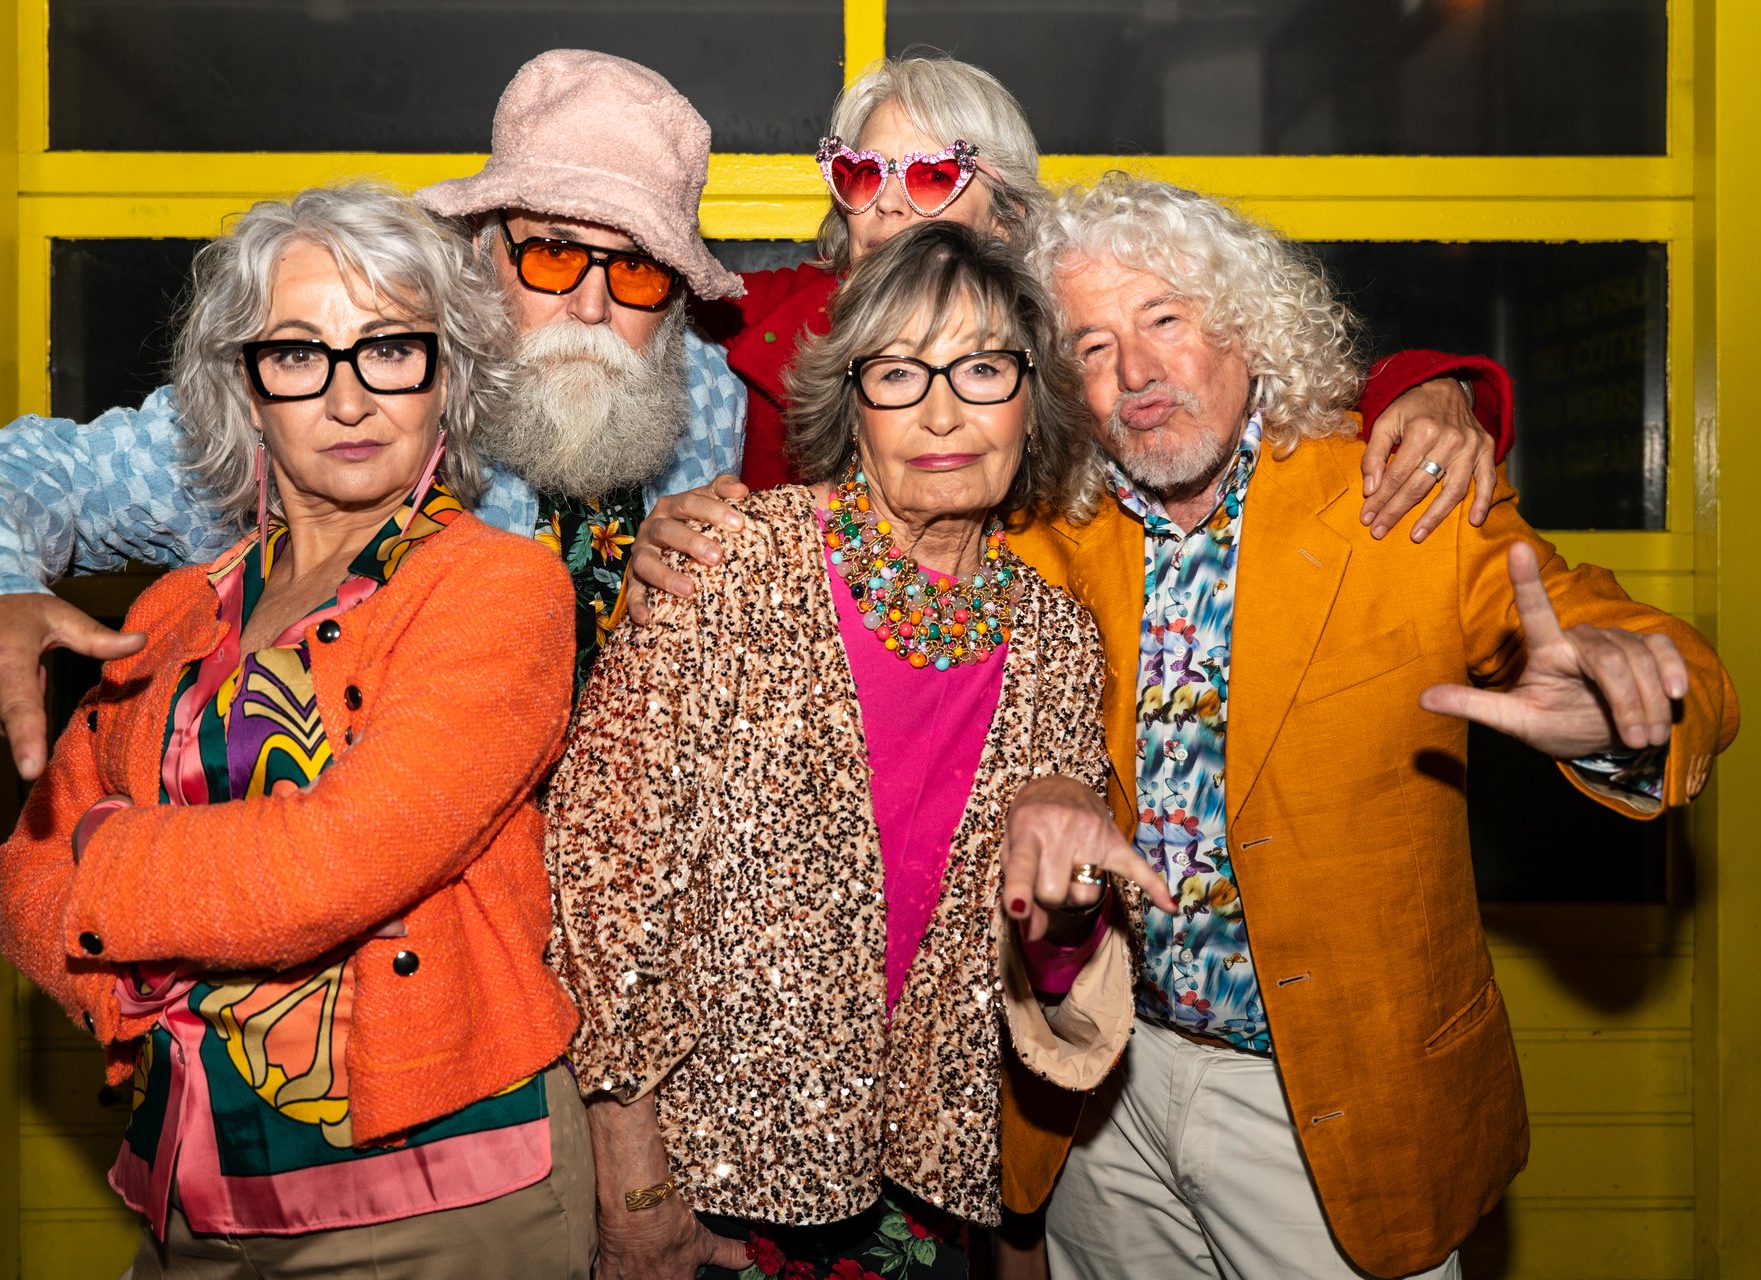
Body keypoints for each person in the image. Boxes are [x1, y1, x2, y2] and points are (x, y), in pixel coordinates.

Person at [993, 173, 1740, 1280]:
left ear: (1248, 326)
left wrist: (1625, 707)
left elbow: (1605, 626)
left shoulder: (1398, 490)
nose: (1136, 374)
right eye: (1092, 347)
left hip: (1326, 1114)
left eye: (1164, 319)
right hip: (1108, 1093)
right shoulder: (1049, 536)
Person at [0, 48, 746, 805]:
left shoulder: (703, 398)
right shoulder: (340, 388)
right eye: (553, 252)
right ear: (482, 246)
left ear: (672, 300)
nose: (591, 305)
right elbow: (21, 475)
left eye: (636, 271)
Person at [0, 184, 589, 1275]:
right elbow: (23, 875)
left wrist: (104, 857)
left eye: (390, 350)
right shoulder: (174, 609)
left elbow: (336, 861)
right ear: (245, 389)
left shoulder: (501, 589)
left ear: (446, 376)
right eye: (301, 354)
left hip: (437, 1200)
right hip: (191, 1196)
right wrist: (109, 947)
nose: (350, 396)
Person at [546, 222, 1145, 1280]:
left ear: (1031, 402)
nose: (946, 409)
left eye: (984, 368)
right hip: (703, 1193)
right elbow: (601, 880)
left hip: (922, 1207)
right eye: (900, 371)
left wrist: (1068, 915)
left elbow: (1049, 972)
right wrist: (633, 1189)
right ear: (850, 402)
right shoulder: (729, 562)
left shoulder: (1056, 638)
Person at [642, 53, 1512, 616]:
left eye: (937, 174)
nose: (895, 203)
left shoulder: (1070, 332)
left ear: (1008, 211)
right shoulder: (760, 318)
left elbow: (1261, 376)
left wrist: (1433, 388)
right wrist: (655, 531)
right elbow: (593, 309)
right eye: (866, 173)